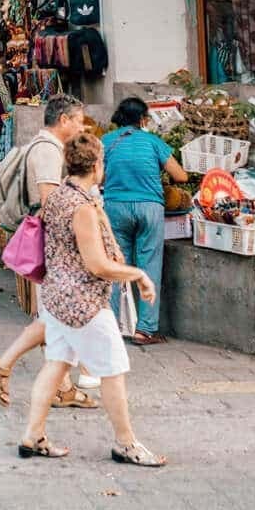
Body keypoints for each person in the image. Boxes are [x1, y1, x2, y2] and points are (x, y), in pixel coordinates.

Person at [15, 133, 165, 467]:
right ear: (97, 165)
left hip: (55, 297)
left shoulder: (57, 197)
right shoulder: (81, 207)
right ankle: (126, 443)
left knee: (56, 365)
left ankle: (32, 435)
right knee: (113, 370)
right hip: (82, 303)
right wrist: (137, 274)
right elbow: (96, 263)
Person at [0, 94, 97, 409]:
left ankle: (60, 386)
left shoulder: (45, 146)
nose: (81, 126)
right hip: (53, 244)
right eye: (78, 120)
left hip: (52, 244)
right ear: (64, 120)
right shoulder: (48, 152)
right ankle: (3, 364)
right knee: (54, 318)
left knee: (54, 316)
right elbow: (50, 203)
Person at [100, 98, 189, 346]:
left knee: (117, 266)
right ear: (142, 119)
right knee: (149, 265)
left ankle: (112, 328)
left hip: (116, 207)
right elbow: (180, 176)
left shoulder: (107, 142)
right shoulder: (153, 142)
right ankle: (145, 330)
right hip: (150, 208)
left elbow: (97, 176)